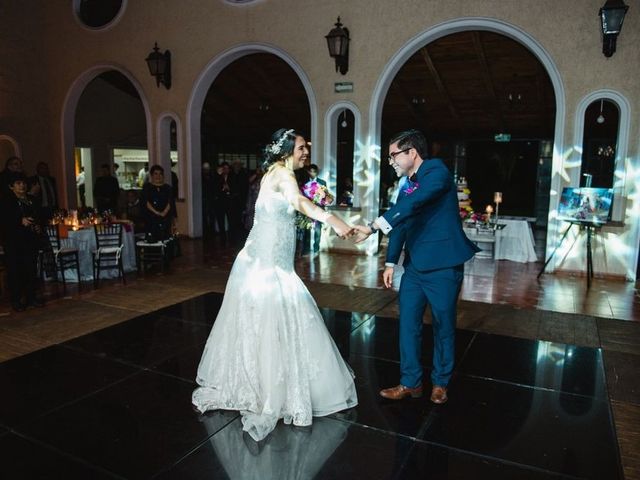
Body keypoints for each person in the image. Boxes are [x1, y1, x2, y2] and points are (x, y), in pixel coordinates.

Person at [193, 128, 358, 442]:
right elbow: (297, 202)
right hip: (270, 267)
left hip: (266, 259)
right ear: (285, 150)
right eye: (300, 148)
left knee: (267, 321)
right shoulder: (283, 175)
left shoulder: (273, 172)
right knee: (274, 319)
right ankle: (271, 390)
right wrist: (333, 220)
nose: (305, 152)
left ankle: (259, 380)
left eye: (306, 148)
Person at [353, 129, 479, 405]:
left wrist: (374, 225)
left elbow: (415, 202)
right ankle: (410, 382)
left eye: (393, 155)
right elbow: (403, 221)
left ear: (412, 153)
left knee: (443, 325)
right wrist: (389, 262)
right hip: (414, 268)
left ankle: (440, 383)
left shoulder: (436, 172)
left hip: (444, 266)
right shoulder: (408, 185)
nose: (391, 162)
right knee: (408, 325)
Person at [0, 172, 44, 311]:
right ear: (11, 186)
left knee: (30, 269)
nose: (22, 186)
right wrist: (19, 221)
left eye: (23, 183)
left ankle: (31, 297)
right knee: (15, 271)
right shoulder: (6, 201)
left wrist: (38, 225)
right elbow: (3, 220)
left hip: (30, 240)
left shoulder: (31, 199)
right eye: (18, 183)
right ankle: (16, 300)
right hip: (13, 241)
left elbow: (39, 215)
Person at [141, 165, 176, 242]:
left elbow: (170, 202)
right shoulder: (147, 187)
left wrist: (164, 213)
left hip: (165, 217)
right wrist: (156, 212)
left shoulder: (168, 188)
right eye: (155, 174)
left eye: (160, 174)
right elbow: (146, 202)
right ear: (152, 175)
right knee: (152, 240)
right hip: (151, 217)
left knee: (166, 239)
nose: (158, 176)